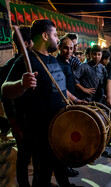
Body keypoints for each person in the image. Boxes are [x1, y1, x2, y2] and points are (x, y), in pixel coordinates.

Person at [1, 19, 83, 187]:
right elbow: (4, 90)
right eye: (54, 35)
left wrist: (75, 100)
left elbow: (58, 86)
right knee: (43, 171)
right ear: (45, 36)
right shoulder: (26, 61)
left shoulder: (53, 60)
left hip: (59, 126)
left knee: (61, 164)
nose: (57, 39)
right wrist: (21, 84)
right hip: (40, 130)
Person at [0, 26, 37, 187]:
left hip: (35, 120)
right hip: (22, 121)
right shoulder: (11, 66)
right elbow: (6, 97)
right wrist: (14, 125)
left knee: (37, 156)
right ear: (27, 44)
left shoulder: (36, 61)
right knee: (23, 156)